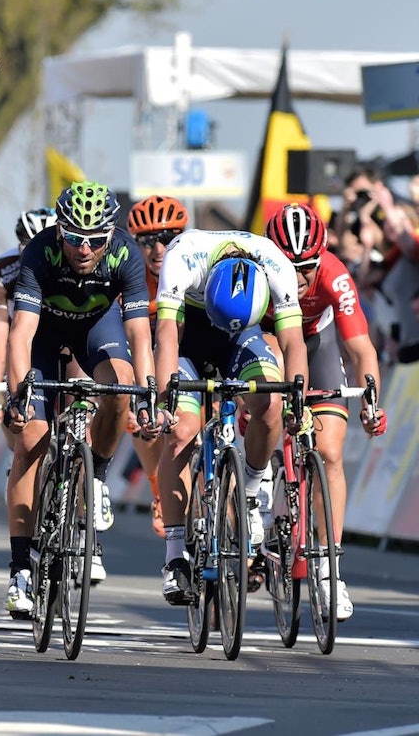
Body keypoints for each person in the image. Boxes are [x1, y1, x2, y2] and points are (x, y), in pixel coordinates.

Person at [3, 181, 156, 616]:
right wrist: (19, 393)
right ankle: (20, 568)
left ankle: (97, 479)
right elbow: (21, 335)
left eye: (94, 240)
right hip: (45, 336)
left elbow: (140, 335)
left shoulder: (126, 255)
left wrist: (148, 395)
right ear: (59, 232)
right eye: (73, 237)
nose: (83, 249)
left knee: (120, 388)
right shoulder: (38, 254)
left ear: (111, 235)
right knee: (31, 439)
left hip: (97, 330)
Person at [153, 227, 308, 605]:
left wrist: (296, 402)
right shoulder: (182, 257)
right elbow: (167, 336)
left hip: (242, 335)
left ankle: (251, 494)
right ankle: (175, 557)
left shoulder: (275, 264)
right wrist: (165, 399)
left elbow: (292, 341)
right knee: (181, 429)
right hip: (187, 333)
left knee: (270, 403)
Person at [265, 203, 387, 620]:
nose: (297, 278)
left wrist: (372, 403)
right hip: (267, 336)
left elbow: (360, 349)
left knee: (330, 451)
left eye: (307, 268)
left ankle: (330, 569)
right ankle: (260, 485)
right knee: (269, 401)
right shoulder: (255, 269)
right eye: (288, 267)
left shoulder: (335, 274)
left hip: (317, 342)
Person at [124, 195, 190, 537]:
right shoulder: (129, 276)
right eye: (148, 242)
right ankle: (158, 489)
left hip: (186, 348)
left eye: (168, 239)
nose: (159, 249)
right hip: (144, 349)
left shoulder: (195, 270)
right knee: (137, 416)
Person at [0, 206, 55, 435]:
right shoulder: (3, 271)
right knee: (18, 425)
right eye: (31, 248)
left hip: (61, 340)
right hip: (21, 342)